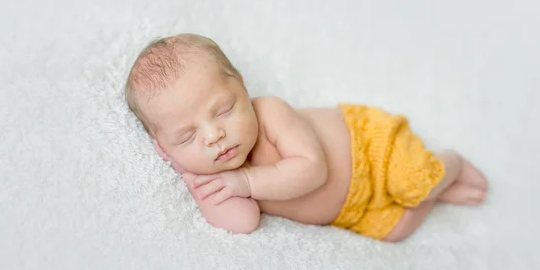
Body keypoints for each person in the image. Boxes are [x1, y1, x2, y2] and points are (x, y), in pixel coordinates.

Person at [124, 33, 488, 242]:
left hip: (370, 148)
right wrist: (194, 177)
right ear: (163, 150)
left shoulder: (269, 113)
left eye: (222, 110)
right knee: (396, 231)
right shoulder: (210, 176)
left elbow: (312, 169)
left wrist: (247, 180)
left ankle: (448, 164)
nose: (214, 135)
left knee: (415, 179)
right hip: (352, 209)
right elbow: (243, 222)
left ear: (242, 86)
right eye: (187, 137)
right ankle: (436, 193)